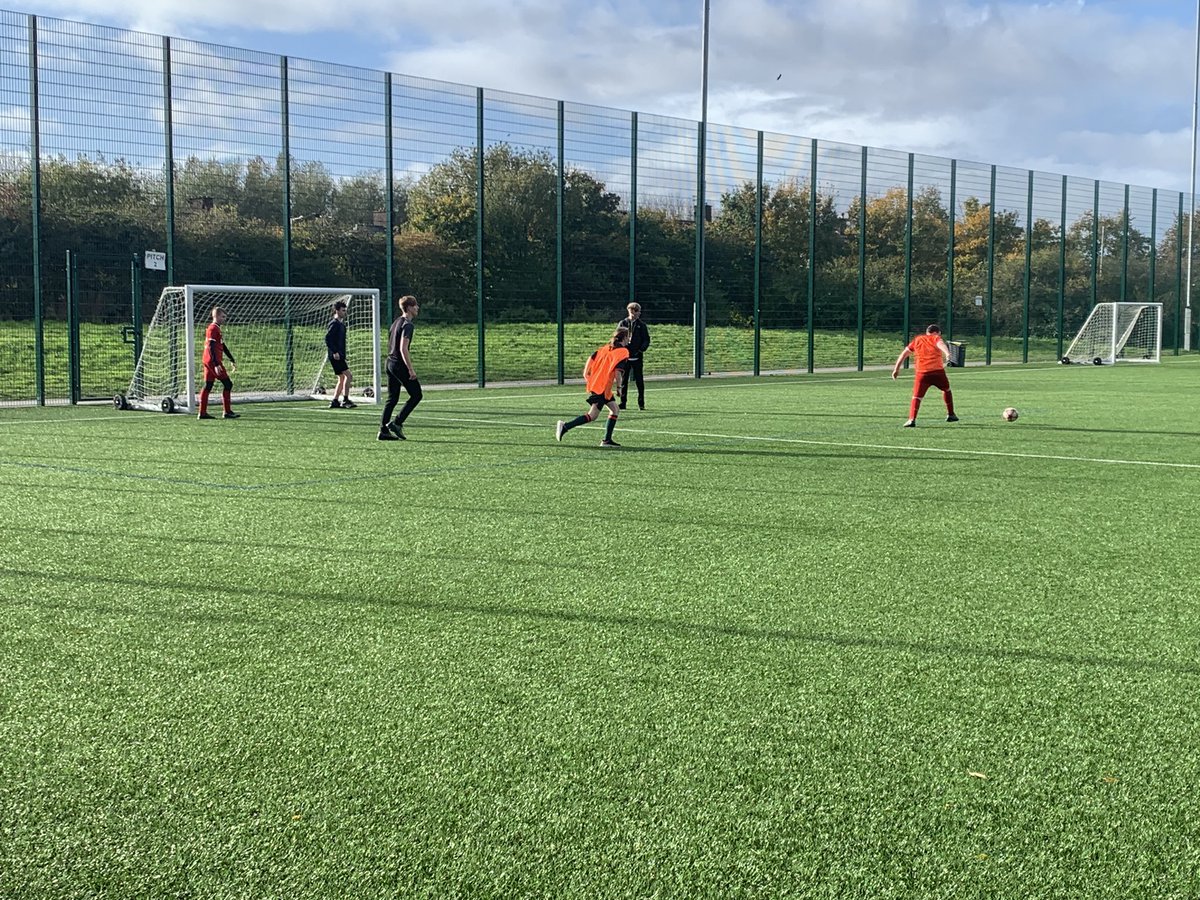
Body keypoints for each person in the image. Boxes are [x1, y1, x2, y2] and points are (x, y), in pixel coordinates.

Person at [555, 327, 631, 448]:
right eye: (628, 336)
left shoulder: (604, 349)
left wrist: (586, 374)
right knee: (593, 415)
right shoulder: (623, 352)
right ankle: (565, 426)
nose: (629, 339)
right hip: (602, 387)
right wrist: (619, 387)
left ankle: (606, 441)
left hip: (600, 385)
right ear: (625, 338)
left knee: (615, 409)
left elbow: (591, 359)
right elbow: (618, 372)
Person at [891, 324, 958, 427]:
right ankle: (951, 414)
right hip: (937, 372)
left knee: (916, 397)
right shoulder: (936, 338)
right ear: (938, 333)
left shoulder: (917, 339)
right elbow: (941, 344)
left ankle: (911, 419)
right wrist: (947, 354)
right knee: (946, 390)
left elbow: (904, 354)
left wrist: (896, 369)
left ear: (927, 332)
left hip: (922, 373)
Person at [378, 296, 422, 441]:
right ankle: (397, 422)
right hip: (399, 364)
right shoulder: (407, 325)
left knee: (392, 398)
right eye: (415, 305)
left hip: (389, 362)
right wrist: (410, 369)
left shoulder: (396, 322)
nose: (417, 308)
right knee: (416, 395)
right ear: (409, 307)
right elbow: (403, 348)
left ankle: (383, 431)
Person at [197, 306, 239, 420]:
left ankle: (202, 412)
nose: (224, 319)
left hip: (208, 360)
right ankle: (227, 411)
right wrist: (216, 364)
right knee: (228, 384)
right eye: (222, 316)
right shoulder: (212, 328)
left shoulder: (216, 329)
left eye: (225, 317)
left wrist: (231, 359)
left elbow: (222, 345)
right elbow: (210, 346)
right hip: (212, 361)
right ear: (215, 316)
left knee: (208, 385)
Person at [617, 302, 651, 410]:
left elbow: (646, 339)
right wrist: (620, 350)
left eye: (638, 311)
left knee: (639, 381)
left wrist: (641, 350)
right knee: (624, 381)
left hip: (637, 357)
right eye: (635, 311)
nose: (637, 313)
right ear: (630, 311)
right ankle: (623, 403)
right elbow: (617, 337)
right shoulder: (623, 323)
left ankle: (641, 403)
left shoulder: (642, 325)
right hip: (625, 357)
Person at [325, 299, 355, 409]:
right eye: (343, 310)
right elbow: (328, 339)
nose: (345, 312)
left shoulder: (340, 324)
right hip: (336, 356)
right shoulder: (334, 324)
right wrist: (335, 352)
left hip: (339, 355)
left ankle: (335, 400)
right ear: (337, 311)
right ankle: (345, 400)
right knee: (348, 375)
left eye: (345, 310)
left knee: (342, 377)